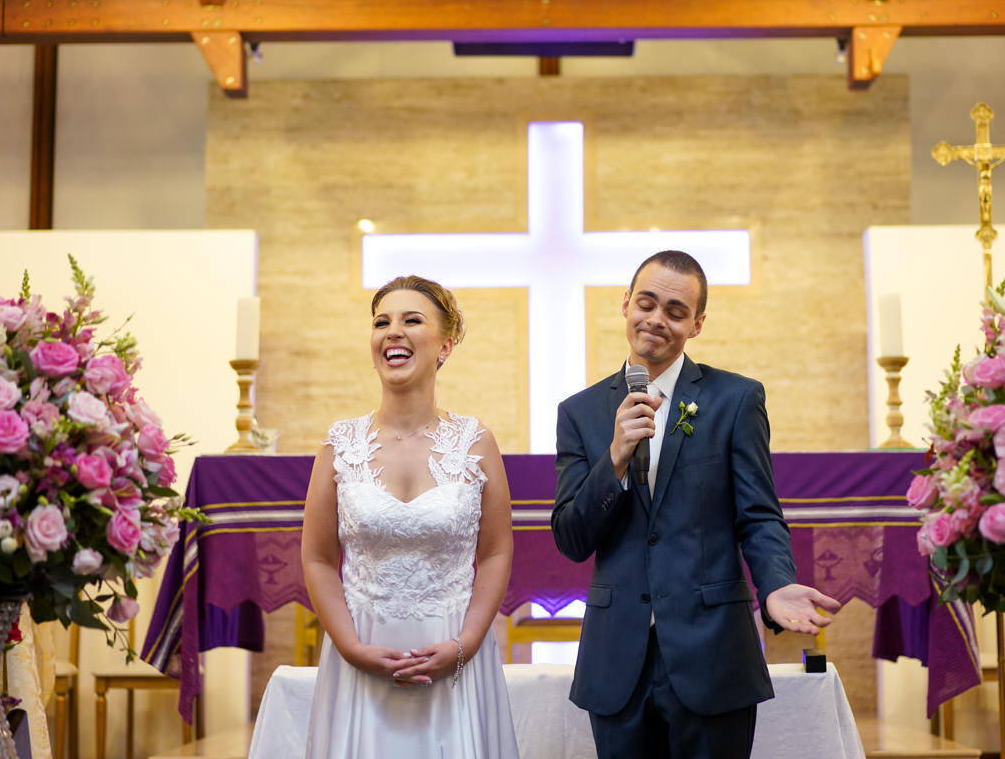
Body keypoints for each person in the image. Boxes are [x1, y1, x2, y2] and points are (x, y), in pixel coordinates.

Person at [552, 250, 842, 758]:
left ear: (697, 324)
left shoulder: (736, 399)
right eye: (647, 303)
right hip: (617, 658)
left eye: (675, 310)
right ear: (625, 305)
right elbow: (572, 538)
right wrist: (616, 457)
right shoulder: (579, 412)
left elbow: (758, 514)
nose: (657, 319)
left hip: (712, 652)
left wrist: (774, 585)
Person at [300, 275, 519, 758]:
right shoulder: (339, 445)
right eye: (381, 322)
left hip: (454, 651)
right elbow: (317, 558)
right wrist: (352, 649)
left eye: (411, 320)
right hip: (362, 649)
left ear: (446, 344)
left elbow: (497, 552)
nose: (392, 332)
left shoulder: (475, 443)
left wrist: (466, 643)